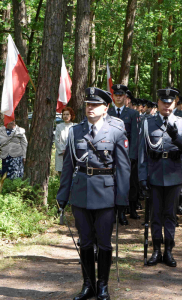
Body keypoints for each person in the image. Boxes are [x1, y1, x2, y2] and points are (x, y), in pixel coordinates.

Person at [56, 87, 130, 300]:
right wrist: (62, 196)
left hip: (106, 193)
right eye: (88, 104)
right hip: (80, 194)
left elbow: (123, 168)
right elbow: (69, 167)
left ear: (105, 108)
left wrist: (122, 198)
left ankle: (103, 286)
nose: (90, 108)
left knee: (104, 242)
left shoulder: (115, 131)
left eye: (95, 105)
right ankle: (88, 284)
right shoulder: (75, 132)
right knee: (86, 241)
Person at [138, 88, 182, 267]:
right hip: (153, 174)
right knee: (155, 215)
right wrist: (142, 177)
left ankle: (168, 251)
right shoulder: (147, 123)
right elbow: (142, 153)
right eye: (163, 102)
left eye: (170, 103)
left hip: (173, 174)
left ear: (175, 103)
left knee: (170, 215)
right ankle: (156, 251)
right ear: (158, 103)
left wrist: (176, 136)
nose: (166, 106)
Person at [107, 84, 140, 223]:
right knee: (112, 184)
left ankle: (123, 212)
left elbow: (135, 137)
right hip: (111, 156)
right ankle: (112, 211)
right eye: (116, 95)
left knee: (127, 185)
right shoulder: (108, 113)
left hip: (127, 156)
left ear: (125, 97)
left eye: (121, 95)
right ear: (113, 97)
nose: (118, 97)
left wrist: (132, 156)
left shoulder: (132, 114)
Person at [55, 107, 77, 175]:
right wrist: (62, 149)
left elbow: (76, 140)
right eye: (64, 114)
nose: (65, 116)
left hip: (72, 153)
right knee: (61, 173)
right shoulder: (59, 126)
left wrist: (69, 149)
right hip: (61, 153)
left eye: (67, 114)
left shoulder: (75, 126)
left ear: (71, 115)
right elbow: (56, 139)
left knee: (72, 172)